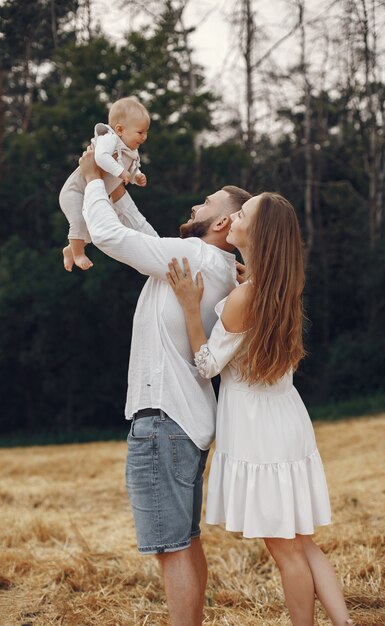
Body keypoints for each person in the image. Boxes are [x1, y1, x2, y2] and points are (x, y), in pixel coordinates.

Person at [78, 145, 251, 626]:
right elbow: (144, 237)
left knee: (172, 551)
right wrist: (119, 190)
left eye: (208, 200)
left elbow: (110, 237)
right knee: (186, 544)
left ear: (221, 224)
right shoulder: (209, 264)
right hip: (186, 424)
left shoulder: (194, 255)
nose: (197, 203)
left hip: (162, 423)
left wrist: (93, 178)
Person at [166, 192, 353, 626]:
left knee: (285, 549)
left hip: (257, 428)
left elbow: (208, 364)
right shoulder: (278, 288)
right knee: (301, 540)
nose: (233, 216)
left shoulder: (244, 297)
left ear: (258, 232)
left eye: (242, 213)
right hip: (286, 418)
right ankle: (344, 623)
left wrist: (192, 311)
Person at [59, 97, 149, 272]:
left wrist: (136, 176)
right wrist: (120, 172)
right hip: (76, 191)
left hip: (91, 194)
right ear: (120, 129)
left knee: (91, 229)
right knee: (78, 221)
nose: (144, 137)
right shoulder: (109, 138)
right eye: (140, 132)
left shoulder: (131, 151)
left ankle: (71, 250)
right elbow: (101, 157)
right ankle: (78, 254)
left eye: (146, 132)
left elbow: (130, 171)